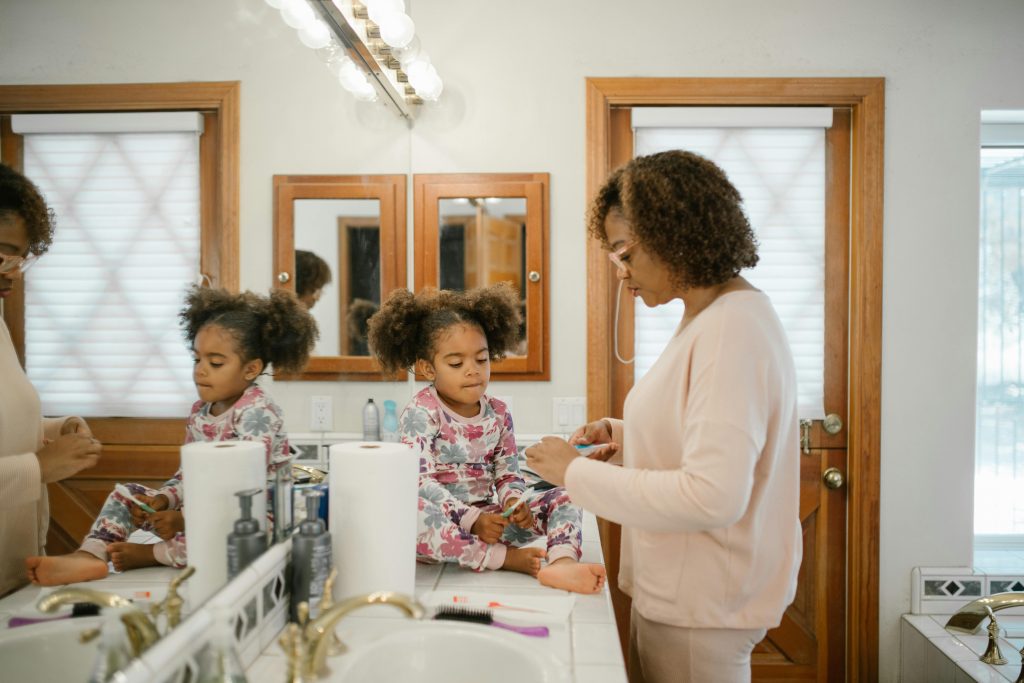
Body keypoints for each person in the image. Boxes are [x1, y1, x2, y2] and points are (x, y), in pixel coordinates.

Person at [525, 150, 801, 683]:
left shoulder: (731, 328)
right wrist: (626, 436)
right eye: (614, 257)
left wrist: (572, 473)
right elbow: (703, 430)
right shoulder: (712, 316)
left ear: (676, 234)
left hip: (701, 605)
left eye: (625, 252)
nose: (622, 272)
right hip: (686, 594)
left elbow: (713, 494)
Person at [25, 286, 318, 586]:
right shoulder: (201, 411)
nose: (200, 371)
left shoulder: (259, 413)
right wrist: (164, 499)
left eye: (215, 363)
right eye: (197, 359)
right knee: (124, 497)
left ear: (251, 368)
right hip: (204, 508)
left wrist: (186, 520)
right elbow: (186, 474)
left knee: (232, 537)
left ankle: (152, 554)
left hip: (252, 514)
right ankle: (90, 555)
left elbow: (241, 490)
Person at [367, 284, 606, 594]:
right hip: (442, 527)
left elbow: (508, 473)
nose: (472, 371)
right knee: (410, 514)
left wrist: (513, 501)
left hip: (490, 523)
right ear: (428, 368)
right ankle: (504, 559)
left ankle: (561, 564)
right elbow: (420, 481)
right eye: (456, 364)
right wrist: (471, 519)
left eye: (481, 360)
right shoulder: (420, 411)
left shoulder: (499, 413)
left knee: (567, 493)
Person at [0, 163, 104, 597]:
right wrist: (39, 468)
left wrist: (52, 431)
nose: (12, 272)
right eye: (2, 254)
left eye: (21, 258)